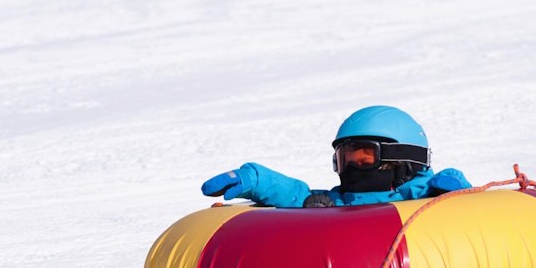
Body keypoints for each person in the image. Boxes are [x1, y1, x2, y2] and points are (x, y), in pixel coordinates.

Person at [201, 105, 471, 208]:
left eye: (365, 156)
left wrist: (459, 195)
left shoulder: (423, 199)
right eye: (345, 158)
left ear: (403, 161)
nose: (353, 167)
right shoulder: (338, 203)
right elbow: (298, 197)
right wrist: (256, 179)